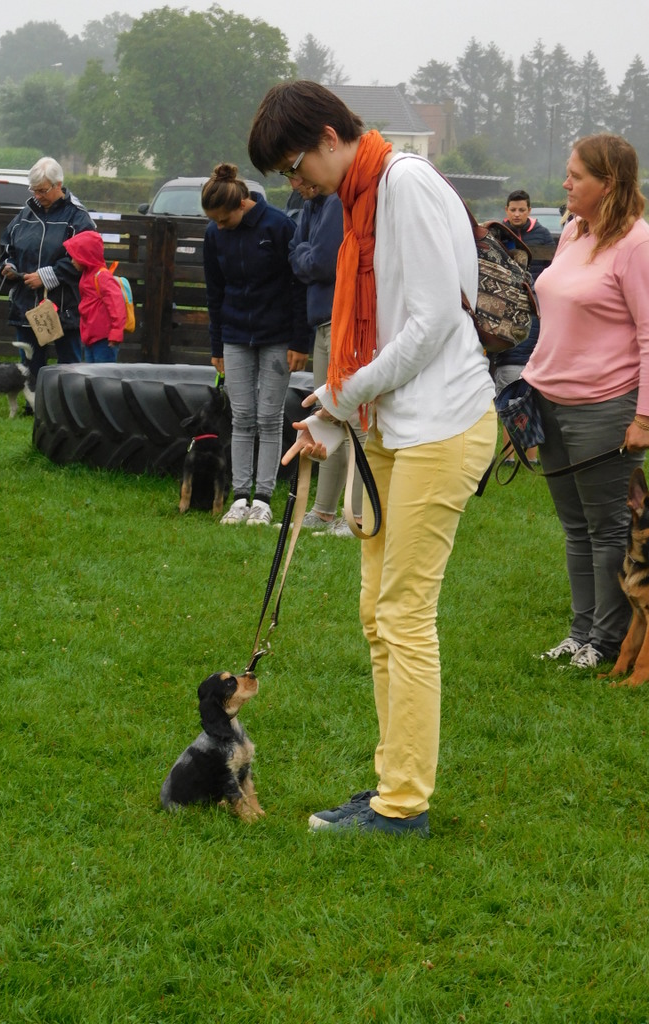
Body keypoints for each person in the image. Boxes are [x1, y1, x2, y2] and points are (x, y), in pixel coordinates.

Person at [248, 81, 496, 837]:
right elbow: (383, 328)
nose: (296, 186)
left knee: (404, 614)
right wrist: (335, 416)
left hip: (441, 425)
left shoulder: (404, 183)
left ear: (329, 137)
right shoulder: (361, 197)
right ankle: (393, 781)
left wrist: (336, 397)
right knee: (375, 614)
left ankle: (402, 805)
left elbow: (429, 324)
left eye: (295, 167)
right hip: (391, 427)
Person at [523, 134, 649, 669]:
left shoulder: (637, 244)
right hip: (548, 399)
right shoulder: (575, 230)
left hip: (604, 406)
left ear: (609, 184)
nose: (566, 183)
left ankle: (606, 640)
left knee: (608, 530)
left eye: (576, 176)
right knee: (575, 527)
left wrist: (645, 417)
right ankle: (580, 633)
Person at [202, 163, 310, 526]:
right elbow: (214, 292)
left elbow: (299, 286)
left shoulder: (278, 227)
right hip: (234, 336)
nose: (219, 226)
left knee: (269, 417)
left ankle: (262, 500)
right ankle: (239, 498)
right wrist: (217, 346)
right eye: (213, 221)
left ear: (241, 205)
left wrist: (300, 341)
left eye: (224, 219)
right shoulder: (214, 235)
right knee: (242, 416)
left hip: (278, 337)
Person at [288, 187, 365, 537]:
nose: (295, 184)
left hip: (342, 321)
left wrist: (305, 255)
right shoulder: (310, 204)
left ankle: (358, 516)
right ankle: (322, 512)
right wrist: (306, 255)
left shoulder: (335, 201)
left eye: (295, 173)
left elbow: (321, 261)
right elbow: (296, 254)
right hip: (319, 322)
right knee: (327, 415)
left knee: (353, 421)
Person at [0, 156, 95, 383]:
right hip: (26, 304)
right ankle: (34, 402)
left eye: (42, 190)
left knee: (69, 367)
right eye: (34, 190)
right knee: (30, 366)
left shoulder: (78, 217)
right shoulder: (24, 214)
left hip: (65, 306)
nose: (37, 196)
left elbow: (83, 258)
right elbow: (7, 247)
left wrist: (46, 276)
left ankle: (67, 401)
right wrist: (8, 266)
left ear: (58, 185)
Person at [493, 189, 555, 463]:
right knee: (508, 392)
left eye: (522, 209)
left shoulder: (542, 236)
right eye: (513, 209)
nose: (517, 214)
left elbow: (550, 270)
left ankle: (531, 455)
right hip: (505, 315)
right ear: (506, 210)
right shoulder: (497, 234)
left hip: (535, 314)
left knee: (531, 394)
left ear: (529, 210)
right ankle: (510, 455)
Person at [62, 230, 126, 363]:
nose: (72, 261)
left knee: (103, 373)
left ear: (86, 256)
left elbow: (117, 305)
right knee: (90, 373)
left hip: (104, 339)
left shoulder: (102, 276)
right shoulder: (87, 275)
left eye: (75, 257)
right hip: (90, 337)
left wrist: (116, 331)